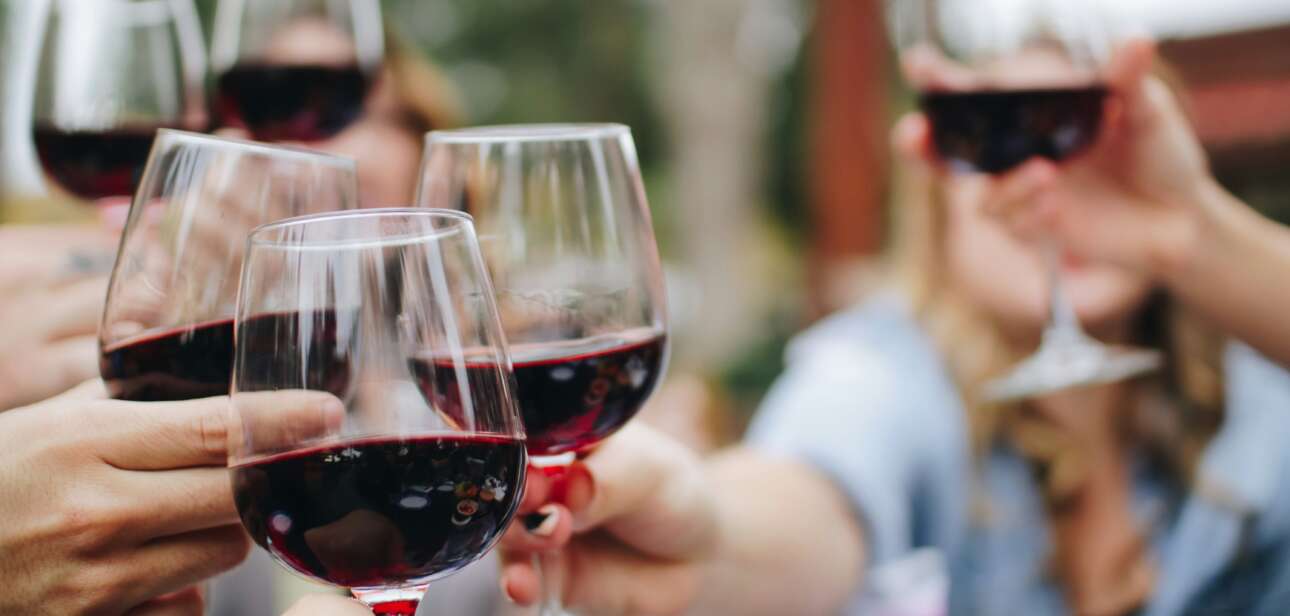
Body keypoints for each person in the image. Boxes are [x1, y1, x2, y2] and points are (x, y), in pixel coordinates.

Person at [496, 40, 1290, 615]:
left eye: (1086, 147)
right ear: (938, 211)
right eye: (1002, 160)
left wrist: (1189, 233)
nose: (1051, 188)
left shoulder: (1260, 384)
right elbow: (811, 495)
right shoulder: (884, 371)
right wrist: (709, 536)